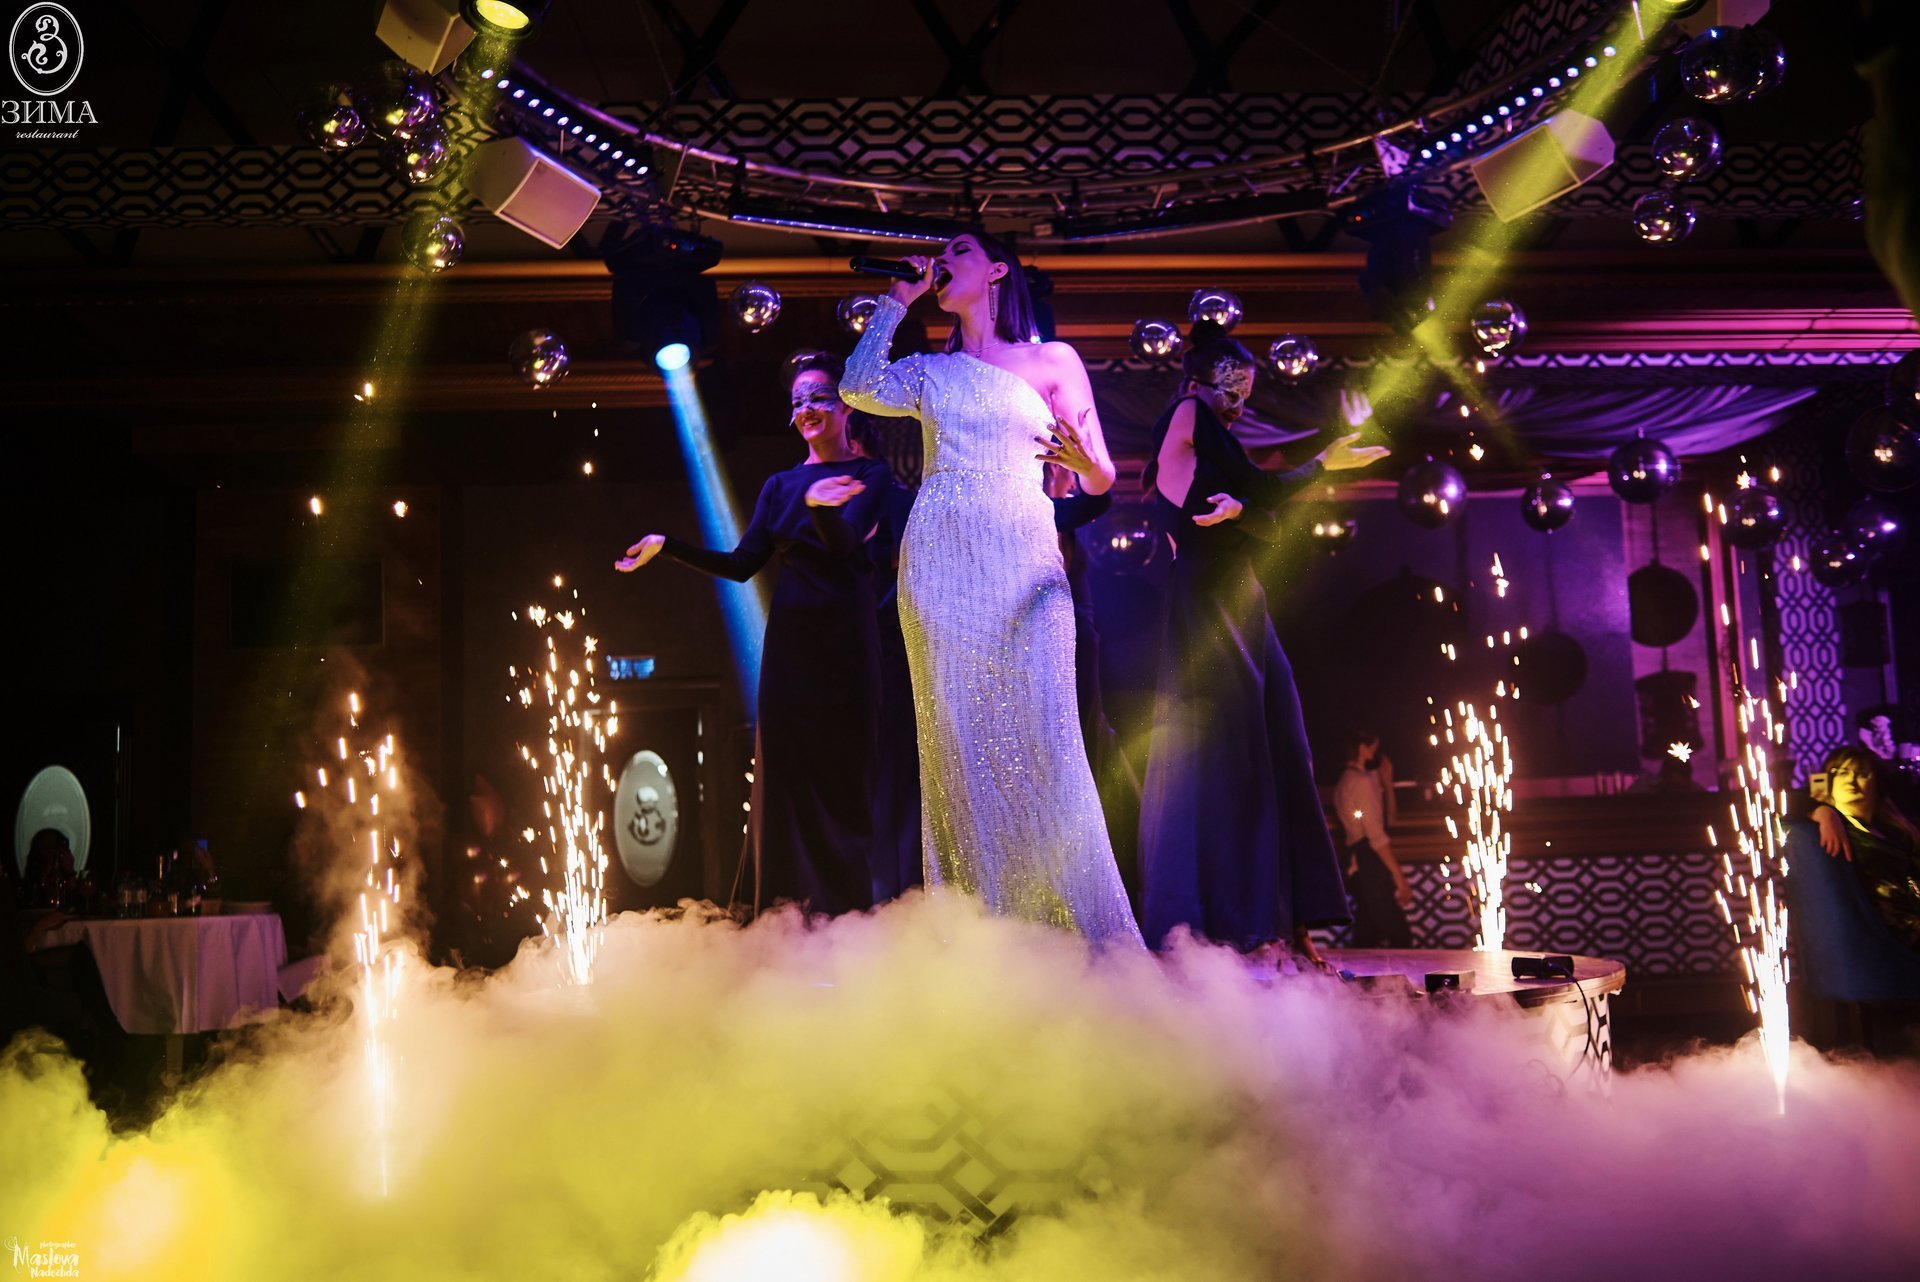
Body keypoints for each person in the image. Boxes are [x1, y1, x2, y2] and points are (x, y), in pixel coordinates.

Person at [839, 230, 1143, 946]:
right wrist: (897, 298)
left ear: (998, 270)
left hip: (1025, 555)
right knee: (958, 748)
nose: (943, 261)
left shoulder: (1053, 360)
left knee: (1047, 740)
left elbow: (1103, 475)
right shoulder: (930, 371)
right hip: (940, 559)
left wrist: (1084, 467)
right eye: (939, 256)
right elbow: (856, 387)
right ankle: (982, 940)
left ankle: (1074, 931)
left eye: (959, 251)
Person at [1136, 321, 1390, 958]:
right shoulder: (1189, 415)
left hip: (1243, 599)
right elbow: (1245, 499)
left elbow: (1268, 519)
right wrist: (1315, 470)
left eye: (1246, 394)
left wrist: (1251, 510)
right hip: (1211, 603)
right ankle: (1237, 924)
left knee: (1279, 744)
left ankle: (1279, 918)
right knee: (1235, 753)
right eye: (1232, 391)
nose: (1239, 405)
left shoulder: (1219, 440)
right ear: (1199, 383)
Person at [617, 353, 897, 916]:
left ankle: (847, 919)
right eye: (798, 402)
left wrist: (821, 509)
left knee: (844, 779)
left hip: (846, 643)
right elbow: (743, 564)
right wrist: (668, 547)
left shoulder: (871, 475)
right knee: (785, 785)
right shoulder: (779, 485)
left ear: (846, 405)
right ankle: (786, 918)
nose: (807, 409)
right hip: (790, 647)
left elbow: (844, 546)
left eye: (818, 397)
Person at [1807, 745, 1920, 951]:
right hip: (1884, 938)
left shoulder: (1896, 833)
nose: (1850, 780)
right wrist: (1823, 812)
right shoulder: (1831, 826)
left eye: (1861, 774)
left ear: (1877, 785)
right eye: (1842, 773)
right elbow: (1783, 808)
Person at [1333, 729, 1415, 948]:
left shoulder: (1350, 779)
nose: (1377, 752)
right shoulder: (1359, 781)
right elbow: (1375, 835)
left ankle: (1358, 971)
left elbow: (1389, 819)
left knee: (1368, 935)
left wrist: (1386, 782)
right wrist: (1399, 878)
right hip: (1369, 863)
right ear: (1362, 748)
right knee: (1398, 937)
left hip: (1361, 865)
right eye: (1374, 747)